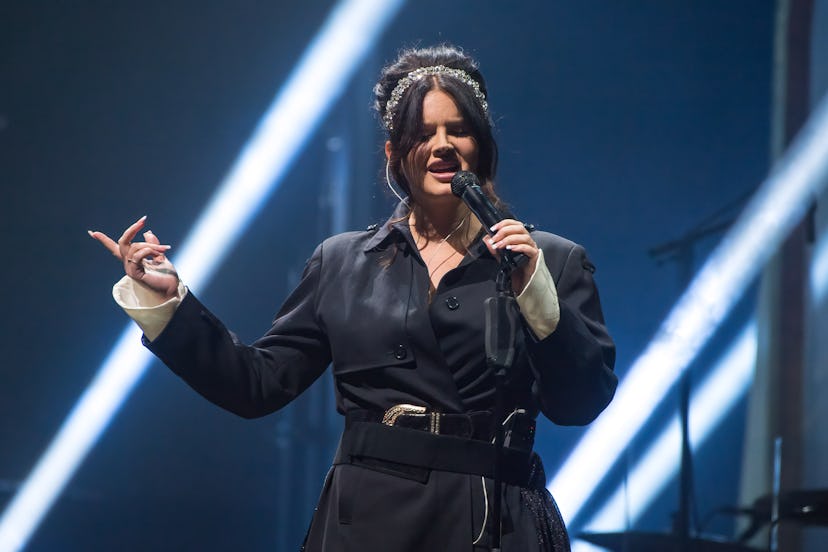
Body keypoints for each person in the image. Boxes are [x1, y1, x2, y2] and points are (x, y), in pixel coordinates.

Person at [90, 44, 617, 552]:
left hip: (491, 521)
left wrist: (534, 289)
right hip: (368, 521)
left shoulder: (549, 258)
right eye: (422, 133)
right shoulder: (343, 261)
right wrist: (169, 305)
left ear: (482, 145)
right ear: (394, 152)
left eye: (458, 131)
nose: (442, 146)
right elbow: (257, 385)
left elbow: (580, 403)